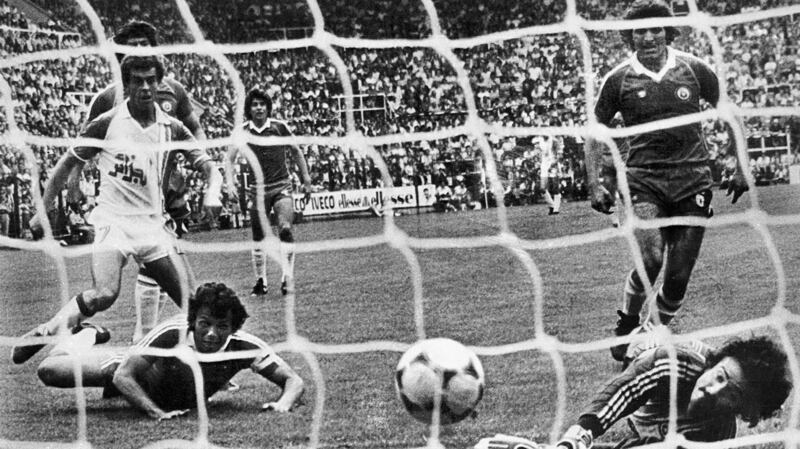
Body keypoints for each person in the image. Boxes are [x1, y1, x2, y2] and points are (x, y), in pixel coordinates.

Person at [11, 55, 223, 364]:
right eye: (138, 81)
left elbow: (210, 168)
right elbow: (65, 165)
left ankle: (211, 366)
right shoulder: (107, 122)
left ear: (160, 83)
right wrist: (41, 212)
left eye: (151, 80)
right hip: (114, 222)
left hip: (152, 227)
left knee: (192, 304)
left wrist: (213, 192)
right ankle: (48, 331)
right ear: (126, 84)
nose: (145, 87)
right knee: (105, 293)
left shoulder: (173, 128)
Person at [582, 0, 749, 361]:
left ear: (668, 32)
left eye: (656, 29)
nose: (649, 37)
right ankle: (628, 323)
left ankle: (649, 332)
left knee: (677, 277)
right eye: (640, 31)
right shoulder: (618, 79)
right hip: (644, 180)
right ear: (631, 37)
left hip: (693, 180)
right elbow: (594, 131)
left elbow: (730, 114)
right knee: (651, 259)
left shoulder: (694, 69)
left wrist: (740, 166)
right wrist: (595, 181)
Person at [72, 20, 212, 343]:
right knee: (165, 274)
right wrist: (76, 180)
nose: (136, 50)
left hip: (169, 196)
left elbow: (193, 126)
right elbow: (83, 144)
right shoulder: (107, 98)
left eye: (143, 44)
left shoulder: (174, 90)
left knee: (174, 278)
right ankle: (145, 346)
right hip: (129, 205)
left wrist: (198, 159)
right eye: (129, 45)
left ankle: (148, 346)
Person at [35, 282, 304, 419]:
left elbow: (293, 380)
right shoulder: (173, 332)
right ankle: (88, 334)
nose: (211, 333)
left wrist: (283, 404)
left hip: (168, 390)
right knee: (49, 370)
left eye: (222, 326)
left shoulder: (244, 346)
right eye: (204, 324)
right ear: (193, 321)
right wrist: (156, 413)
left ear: (233, 327)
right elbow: (123, 376)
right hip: (138, 374)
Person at [475, 335, 791, 449]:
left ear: (747, 412)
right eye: (719, 375)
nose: (711, 388)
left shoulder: (718, 435)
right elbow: (624, 391)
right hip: (628, 418)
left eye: (730, 392)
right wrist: (579, 436)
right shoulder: (678, 363)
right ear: (714, 363)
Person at [229, 87, 312, 297]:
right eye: (255, 104)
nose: (259, 108)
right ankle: (261, 281)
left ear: (268, 108)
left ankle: (287, 278)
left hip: (281, 185)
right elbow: (228, 159)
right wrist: (229, 186)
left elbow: (296, 151)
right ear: (249, 109)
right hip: (257, 190)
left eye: (262, 104)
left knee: (285, 228)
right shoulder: (242, 131)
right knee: (258, 237)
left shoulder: (279, 127)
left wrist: (307, 179)